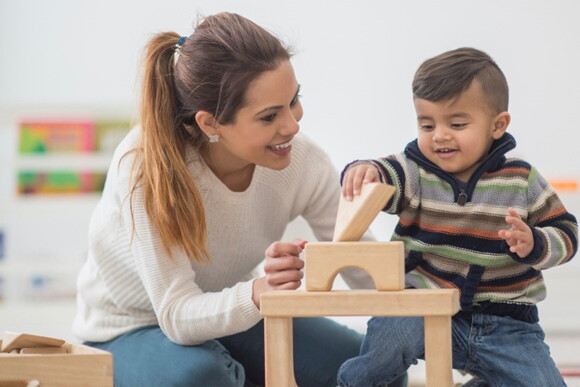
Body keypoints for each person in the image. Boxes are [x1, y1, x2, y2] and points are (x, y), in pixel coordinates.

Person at [71, 12, 407, 387]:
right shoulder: (145, 167)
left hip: (227, 317)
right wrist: (259, 292)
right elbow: (177, 314)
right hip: (131, 327)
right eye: (269, 117)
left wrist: (430, 291)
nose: (293, 125)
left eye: (294, 100)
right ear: (210, 123)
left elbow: (359, 262)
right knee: (202, 377)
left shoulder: (303, 160)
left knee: (377, 370)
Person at [337, 47, 578, 387]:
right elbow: (386, 173)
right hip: (420, 305)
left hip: (507, 324)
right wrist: (367, 170)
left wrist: (535, 242)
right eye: (426, 124)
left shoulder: (521, 180)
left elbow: (567, 233)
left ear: (498, 125)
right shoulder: (415, 171)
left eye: (457, 123)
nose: (440, 135)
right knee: (386, 344)